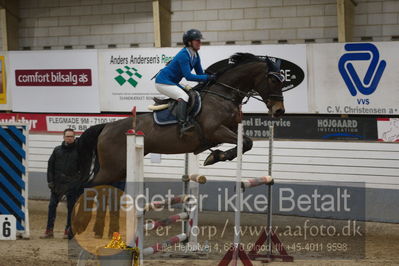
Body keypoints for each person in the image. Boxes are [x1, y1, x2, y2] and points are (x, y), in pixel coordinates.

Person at [155, 29, 215, 136]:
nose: (200, 43)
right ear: (189, 42)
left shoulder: (195, 55)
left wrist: (210, 77)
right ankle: (182, 125)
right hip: (162, 82)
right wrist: (207, 77)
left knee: (192, 94)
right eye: (197, 41)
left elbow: (200, 74)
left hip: (172, 82)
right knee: (184, 96)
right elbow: (188, 77)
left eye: (200, 40)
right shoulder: (184, 55)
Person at [40, 128, 80, 239]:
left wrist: (77, 182)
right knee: (52, 206)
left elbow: (82, 168)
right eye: (67, 136)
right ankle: (49, 231)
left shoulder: (79, 152)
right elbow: (50, 166)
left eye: (71, 136)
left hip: (71, 185)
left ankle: (68, 231)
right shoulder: (57, 150)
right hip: (57, 185)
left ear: (74, 137)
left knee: (71, 209)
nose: (69, 138)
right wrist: (50, 181)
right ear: (63, 137)